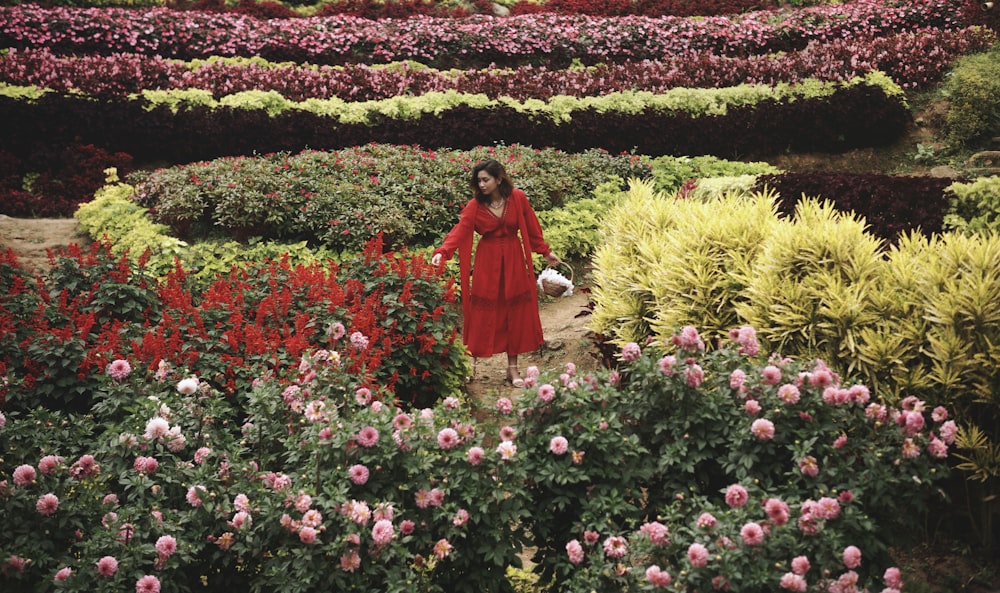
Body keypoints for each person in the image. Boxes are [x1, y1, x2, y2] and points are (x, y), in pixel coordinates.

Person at [431, 159, 561, 387]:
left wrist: (545, 252)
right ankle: (470, 364)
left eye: (485, 180)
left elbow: (531, 228)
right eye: (478, 180)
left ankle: (513, 369)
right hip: (487, 263)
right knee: (482, 313)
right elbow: (459, 231)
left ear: (499, 179)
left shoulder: (518, 198)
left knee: (514, 313)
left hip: (513, 261)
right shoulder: (474, 206)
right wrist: (443, 252)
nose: (481, 185)